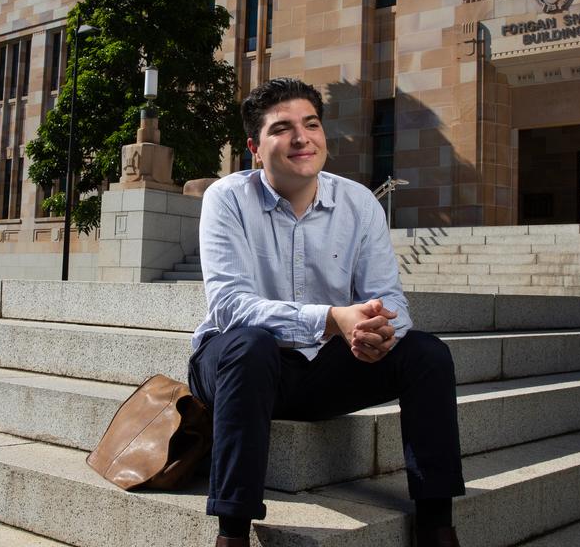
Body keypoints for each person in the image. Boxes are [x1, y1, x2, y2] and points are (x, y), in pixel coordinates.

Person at [188, 78, 465, 547]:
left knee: (426, 354)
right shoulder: (228, 198)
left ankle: (437, 526)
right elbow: (231, 306)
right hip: (238, 367)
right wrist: (333, 319)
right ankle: (231, 533)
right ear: (255, 148)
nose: (302, 138)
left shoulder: (358, 203)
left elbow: (391, 298)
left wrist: (377, 328)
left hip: (323, 370)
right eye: (282, 129)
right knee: (250, 346)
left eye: (311, 124)